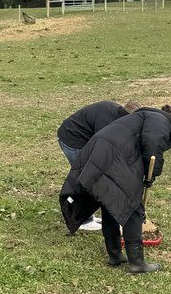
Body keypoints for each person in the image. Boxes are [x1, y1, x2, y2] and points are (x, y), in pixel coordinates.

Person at [60, 106, 171, 273]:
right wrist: (152, 175)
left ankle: (115, 255)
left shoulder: (142, 116)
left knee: (110, 201)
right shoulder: (161, 120)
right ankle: (137, 263)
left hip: (102, 150)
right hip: (114, 155)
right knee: (132, 206)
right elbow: (153, 144)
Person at [56, 99, 139, 231]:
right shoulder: (106, 122)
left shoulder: (117, 116)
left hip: (83, 138)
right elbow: (102, 150)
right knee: (87, 179)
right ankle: (84, 220)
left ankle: (87, 215)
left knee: (94, 179)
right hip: (72, 140)